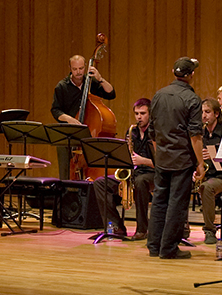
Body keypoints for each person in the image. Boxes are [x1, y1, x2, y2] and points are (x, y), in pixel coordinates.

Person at [148, 57, 205, 259]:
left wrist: (160, 154)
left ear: (173, 72)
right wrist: (200, 162)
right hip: (181, 160)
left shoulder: (158, 95)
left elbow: (152, 132)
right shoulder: (192, 99)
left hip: (162, 158)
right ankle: (169, 248)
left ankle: (154, 246)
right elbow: (195, 135)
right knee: (176, 205)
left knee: (159, 201)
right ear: (191, 75)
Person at [92, 98, 156, 240]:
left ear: (150, 114)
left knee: (140, 182)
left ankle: (142, 229)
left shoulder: (155, 133)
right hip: (134, 172)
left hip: (152, 173)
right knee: (100, 183)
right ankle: (116, 226)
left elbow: (161, 163)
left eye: (143, 113)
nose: (139, 117)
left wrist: (142, 161)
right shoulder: (131, 131)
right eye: (136, 113)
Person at [51, 55, 116, 180]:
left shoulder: (91, 82)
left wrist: (100, 79)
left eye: (81, 68)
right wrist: (69, 119)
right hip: (69, 134)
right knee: (66, 174)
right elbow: (55, 110)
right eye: (75, 69)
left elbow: (111, 93)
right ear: (70, 68)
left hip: (88, 134)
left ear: (85, 67)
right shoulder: (62, 86)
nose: (78, 72)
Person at [197, 98, 222, 244]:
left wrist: (214, 156)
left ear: (216, 114)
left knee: (207, 187)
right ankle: (181, 228)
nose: (203, 116)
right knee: (179, 182)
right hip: (205, 174)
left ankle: (209, 230)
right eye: (201, 112)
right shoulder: (198, 135)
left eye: (207, 112)